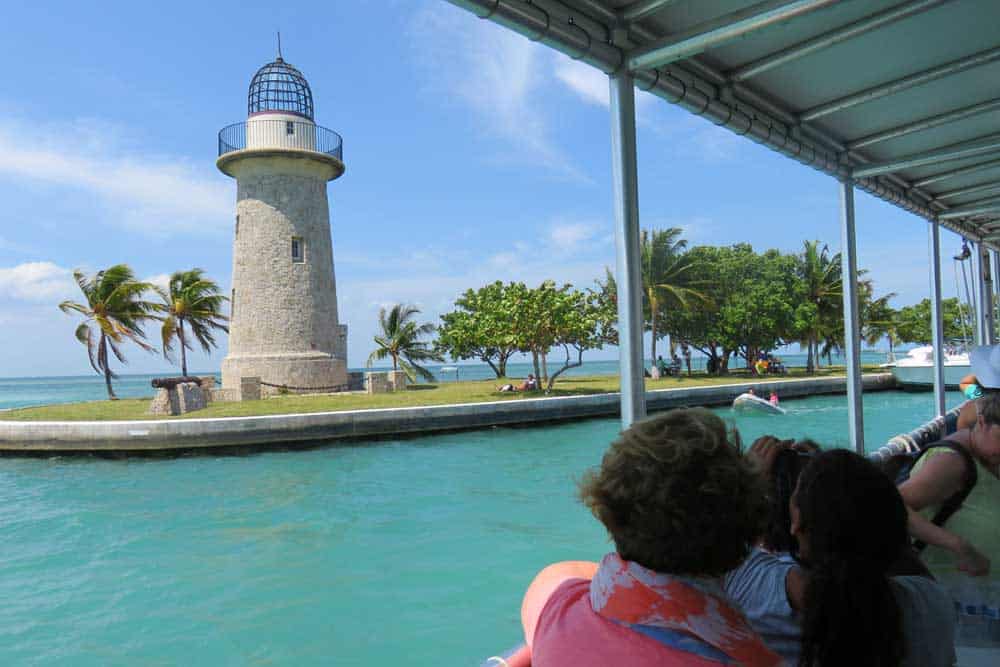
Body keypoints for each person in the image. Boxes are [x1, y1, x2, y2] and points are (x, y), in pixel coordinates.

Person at [521, 409, 780, 666]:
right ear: (748, 527)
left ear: (609, 513)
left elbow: (559, 574)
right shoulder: (750, 658)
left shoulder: (558, 611)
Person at [725, 447, 955, 666]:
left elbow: (716, 548)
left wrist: (748, 482)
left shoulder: (756, 589)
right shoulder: (930, 600)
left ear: (797, 524)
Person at [898, 390, 1000, 578]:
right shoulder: (950, 462)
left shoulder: (988, 455)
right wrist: (960, 546)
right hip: (951, 596)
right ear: (983, 422)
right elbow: (891, 505)